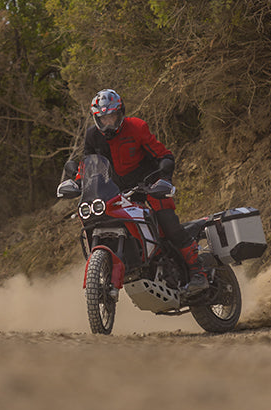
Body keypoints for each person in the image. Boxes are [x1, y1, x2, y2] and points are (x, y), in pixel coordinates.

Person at [79, 88, 208, 294]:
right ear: (97, 119)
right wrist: (77, 182)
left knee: (168, 224)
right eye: (104, 119)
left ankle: (198, 271)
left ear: (121, 113)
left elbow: (164, 155)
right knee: (102, 220)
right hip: (117, 190)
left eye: (113, 116)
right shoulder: (93, 136)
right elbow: (87, 166)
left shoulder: (137, 127)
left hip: (149, 184)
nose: (109, 122)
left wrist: (164, 178)